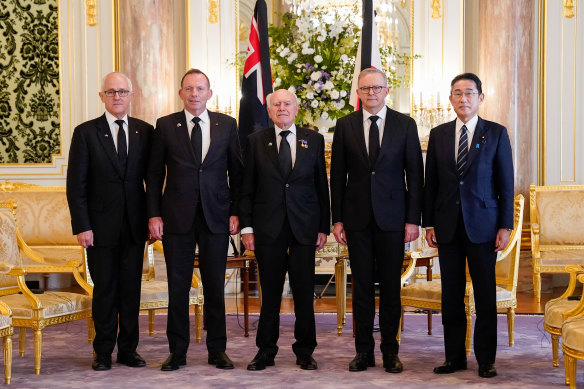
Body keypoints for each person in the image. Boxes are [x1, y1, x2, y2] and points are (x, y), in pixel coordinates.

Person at [147, 69, 243, 371]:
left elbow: (237, 173)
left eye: (200, 89)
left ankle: (217, 350)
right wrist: (153, 214)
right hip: (176, 218)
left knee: (215, 286)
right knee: (178, 286)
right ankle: (177, 351)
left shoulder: (227, 125)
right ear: (180, 94)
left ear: (209, 93)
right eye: (189, 89)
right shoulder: (165, 126)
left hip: (216, 217)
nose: (194, 94)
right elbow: (153, 175)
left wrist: (236, 212)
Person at [330, 68, 424, 373]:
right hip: (356, 219)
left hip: (393, 220)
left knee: (391, 291)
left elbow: (415, 176)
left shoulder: (405, 124)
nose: (372, 93)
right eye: (366, 88)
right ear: (358, 92)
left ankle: (390, 352)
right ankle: (363, 353)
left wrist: (413, 219)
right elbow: (337, 177)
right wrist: (337, 219)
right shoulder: (344, 126)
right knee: (361, 290)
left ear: (387, 91)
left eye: (377, 88)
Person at [424, 73, 514, 378]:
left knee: (484, 296)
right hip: (447, 226)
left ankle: (486, 359)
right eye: (457, 94)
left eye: (469, 93)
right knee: (451, 296)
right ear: (450, 99)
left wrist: (505, 225)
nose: (463, 99)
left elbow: (506, 182)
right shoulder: (438, 134)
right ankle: (454, 358)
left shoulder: (497, 133)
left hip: (484, 226)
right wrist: (428, 224)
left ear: (480, 98)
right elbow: (430, 184)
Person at [66, 72, 153, 371]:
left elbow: (152, 181)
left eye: (123, 92)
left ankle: (128, 350)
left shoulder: (145, 131)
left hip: (134, 226)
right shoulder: (86, 133)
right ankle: (103, 351)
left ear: (131, 95)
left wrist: (153, 218)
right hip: (98, 229)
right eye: (111, 92)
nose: (117, 97)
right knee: (105, 290)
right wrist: (82, 226)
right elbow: (75, 185)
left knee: (131, 290)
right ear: (101, 96)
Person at [239, 89, 330, 371]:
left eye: (287, 104)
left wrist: (323, 227)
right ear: (268, 111)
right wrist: (247, 228)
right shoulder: (255, 142)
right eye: (276, 104)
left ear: (296, 108)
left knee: (304, 293)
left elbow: (320, 186)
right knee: (271, 294)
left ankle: (305, 351)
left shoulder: (313, 140)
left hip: (304, 228)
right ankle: (265, 351)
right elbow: (246, 189)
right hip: (268, 229)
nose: (282, 108)